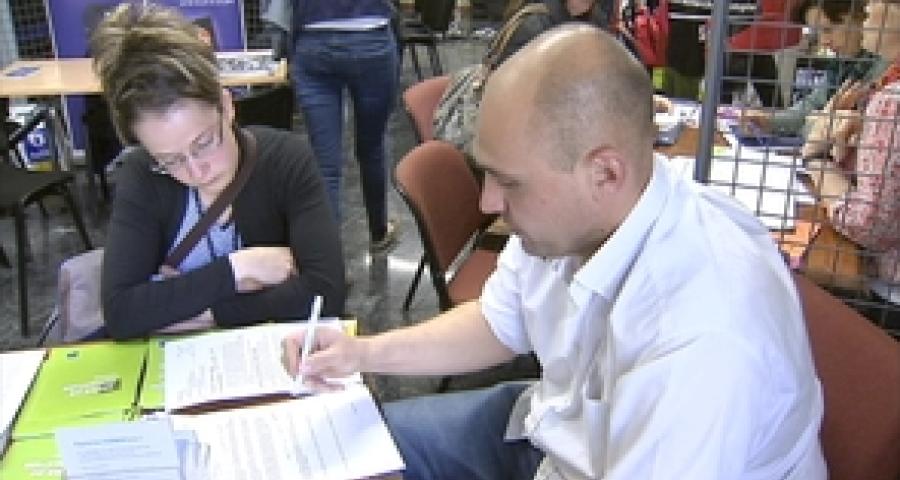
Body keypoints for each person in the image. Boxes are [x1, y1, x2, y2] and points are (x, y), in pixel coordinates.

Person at [283, 25, 826, 479]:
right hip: (555, 428)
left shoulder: (700, 339)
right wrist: (361, 354)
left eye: (509, 182)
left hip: (586, 450)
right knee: (336, 451)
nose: (488, 202)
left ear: (604, 173)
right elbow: (499, 320)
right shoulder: (574, 223)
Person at [94, 4, 345, 340]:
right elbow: (122, 313)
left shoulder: (286, 160)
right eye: (170, 160)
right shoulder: (143, 174)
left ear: (226, 106)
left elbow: (326, 292)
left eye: (204, 144)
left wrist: (200, 310)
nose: (196, 171)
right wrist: (239, 269)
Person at [264, 0, 400, 253]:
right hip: (370, 35)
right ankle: (379, 231)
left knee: (326, 165)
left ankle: (330, 260)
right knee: (372, 147)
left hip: (312, 39)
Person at [806, 0, 900, 333]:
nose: (868, 8)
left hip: (888, 299)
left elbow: (868, 225)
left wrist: (815, 158)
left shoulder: (892, 100)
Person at [745, 0, 888, 136]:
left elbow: (836, 131)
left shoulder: (884, 68)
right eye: (818, 33)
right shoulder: (843, 65)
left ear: (860, 17)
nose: (823, 41)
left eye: (827, 30)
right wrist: (769, 121)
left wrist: (815, 124)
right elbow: (811, 105)